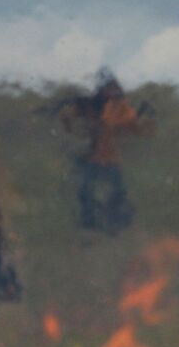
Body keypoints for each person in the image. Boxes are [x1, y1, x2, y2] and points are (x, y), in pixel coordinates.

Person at [57, 67, 153, 233]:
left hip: (109, 158)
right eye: (107, 87)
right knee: (85, 192)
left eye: (112, 86)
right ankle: (90, 224)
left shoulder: (119, 105)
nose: (110, 90)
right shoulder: (88, 104)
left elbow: (132, 125)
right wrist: (77, 130)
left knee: (116, 194)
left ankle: (114, 224)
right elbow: (67, 116)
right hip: (90, 158)